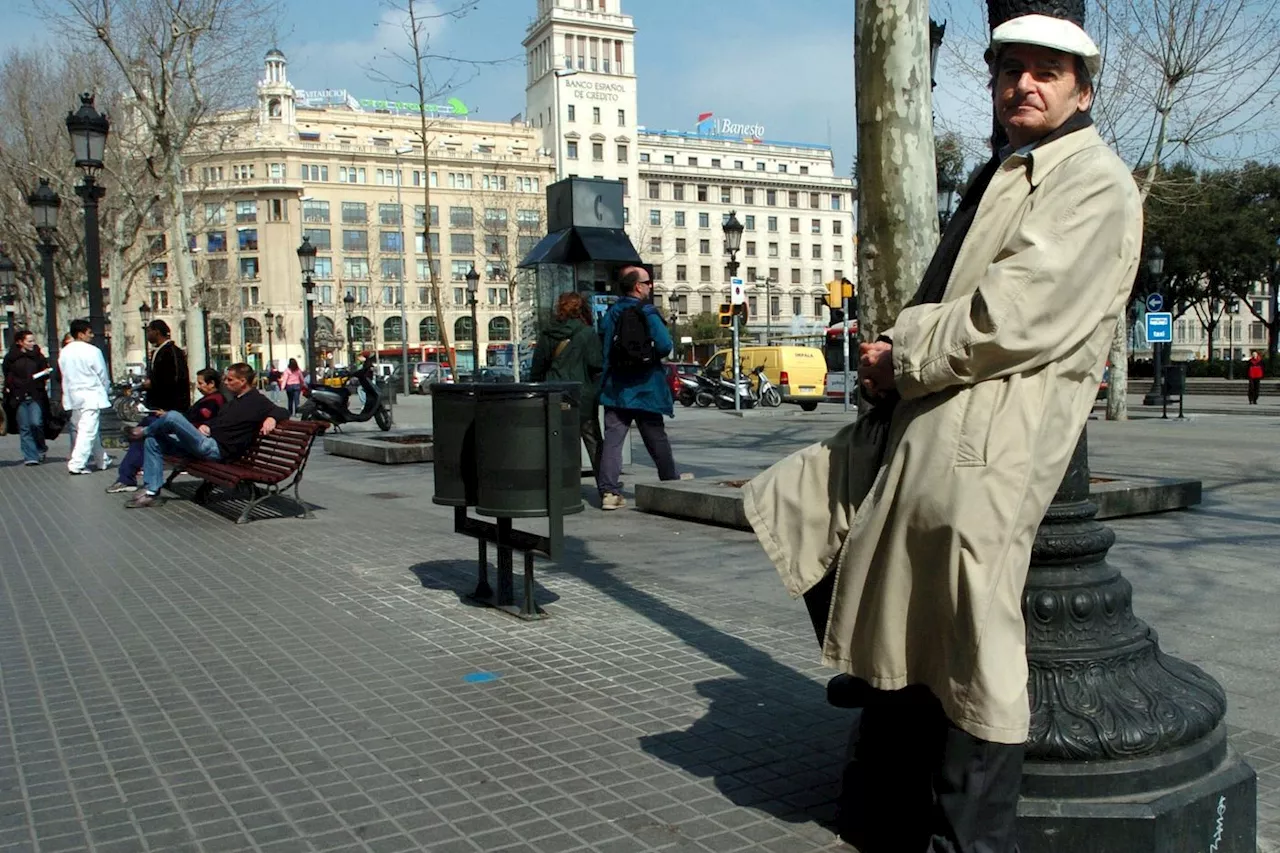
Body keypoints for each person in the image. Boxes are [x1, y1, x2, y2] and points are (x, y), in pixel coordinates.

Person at [742, 13, 1142, 852]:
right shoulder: (1011, 167)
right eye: (1010, 71)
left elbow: (1014, 313)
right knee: (803, 503)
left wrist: (902, 351)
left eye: (1046, 72)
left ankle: (967, 835)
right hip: (931, 414)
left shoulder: (1093, 180)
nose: (1023, 85)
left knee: (969, 639)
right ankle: (871, 725)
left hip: (989, 436)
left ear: (1082, 90)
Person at [125, 363, 288, 509]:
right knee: (153, 441)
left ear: (243, 381)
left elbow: (282, 411)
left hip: (216, 450)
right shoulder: (233, 401)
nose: (225, 382)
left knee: (173, 416)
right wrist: (207, 426)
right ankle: (151, 492)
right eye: (225, 379)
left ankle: (141, 431)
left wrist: (272, 418)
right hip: (205, 443)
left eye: (230, 380)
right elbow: (220, 422)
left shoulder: (257, 401)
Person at [597, 266, 682, 510]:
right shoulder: (646, 311)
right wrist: (647, 356)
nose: (650, 285)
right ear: (637, 286)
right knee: (656, 438)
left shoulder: (612, 313)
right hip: (647, 387)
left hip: (616, 388)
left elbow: (603, 348)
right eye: (647, 282)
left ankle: (609, 493)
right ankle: (670, 482)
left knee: (613, 441)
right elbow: (666, 345)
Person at [108, 368, 225, 494]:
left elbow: (196, 421)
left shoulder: (214, 401)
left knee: (149, 427)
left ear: (211, 383)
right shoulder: (209, 399)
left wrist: (172, 419)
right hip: (188, 439)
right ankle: (138, 480)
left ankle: (128, 475)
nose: (198, 387)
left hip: (194, 443)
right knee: (150, 435)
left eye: (201, 383)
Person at [530, 291, 605, 476]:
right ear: (582, 310)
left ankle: (561, 486)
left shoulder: (548, 334)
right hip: (582, 397)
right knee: (592, 439)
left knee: (557, 442)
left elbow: (537, 368)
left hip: (554, 395)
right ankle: (607, 488)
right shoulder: (588, 333)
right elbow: (597, 365)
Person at [59, 319, 113, 475]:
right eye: (89, 332)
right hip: (91, 393)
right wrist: (104, 389)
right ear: (81, 334)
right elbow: (102, 373)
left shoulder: (65, 351)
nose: (92, 335)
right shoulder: (93, 351)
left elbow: (65, 375)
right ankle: (76, 464)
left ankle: (102, 459)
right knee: (87, 430)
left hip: (73, 394)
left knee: (88, 428)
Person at [3, 331, 52, 465]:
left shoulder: (38, 356)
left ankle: (41, 447)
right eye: (29, 341)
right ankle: (31, 456)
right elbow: (7, 375)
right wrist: (9, 387)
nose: (32, 343)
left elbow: (45, 372)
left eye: (33, 340)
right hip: (18, 396)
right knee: (24, 427)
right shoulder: (11, 357)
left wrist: (44, 374)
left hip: (35, 395)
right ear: (20, 342)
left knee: (36, 423)